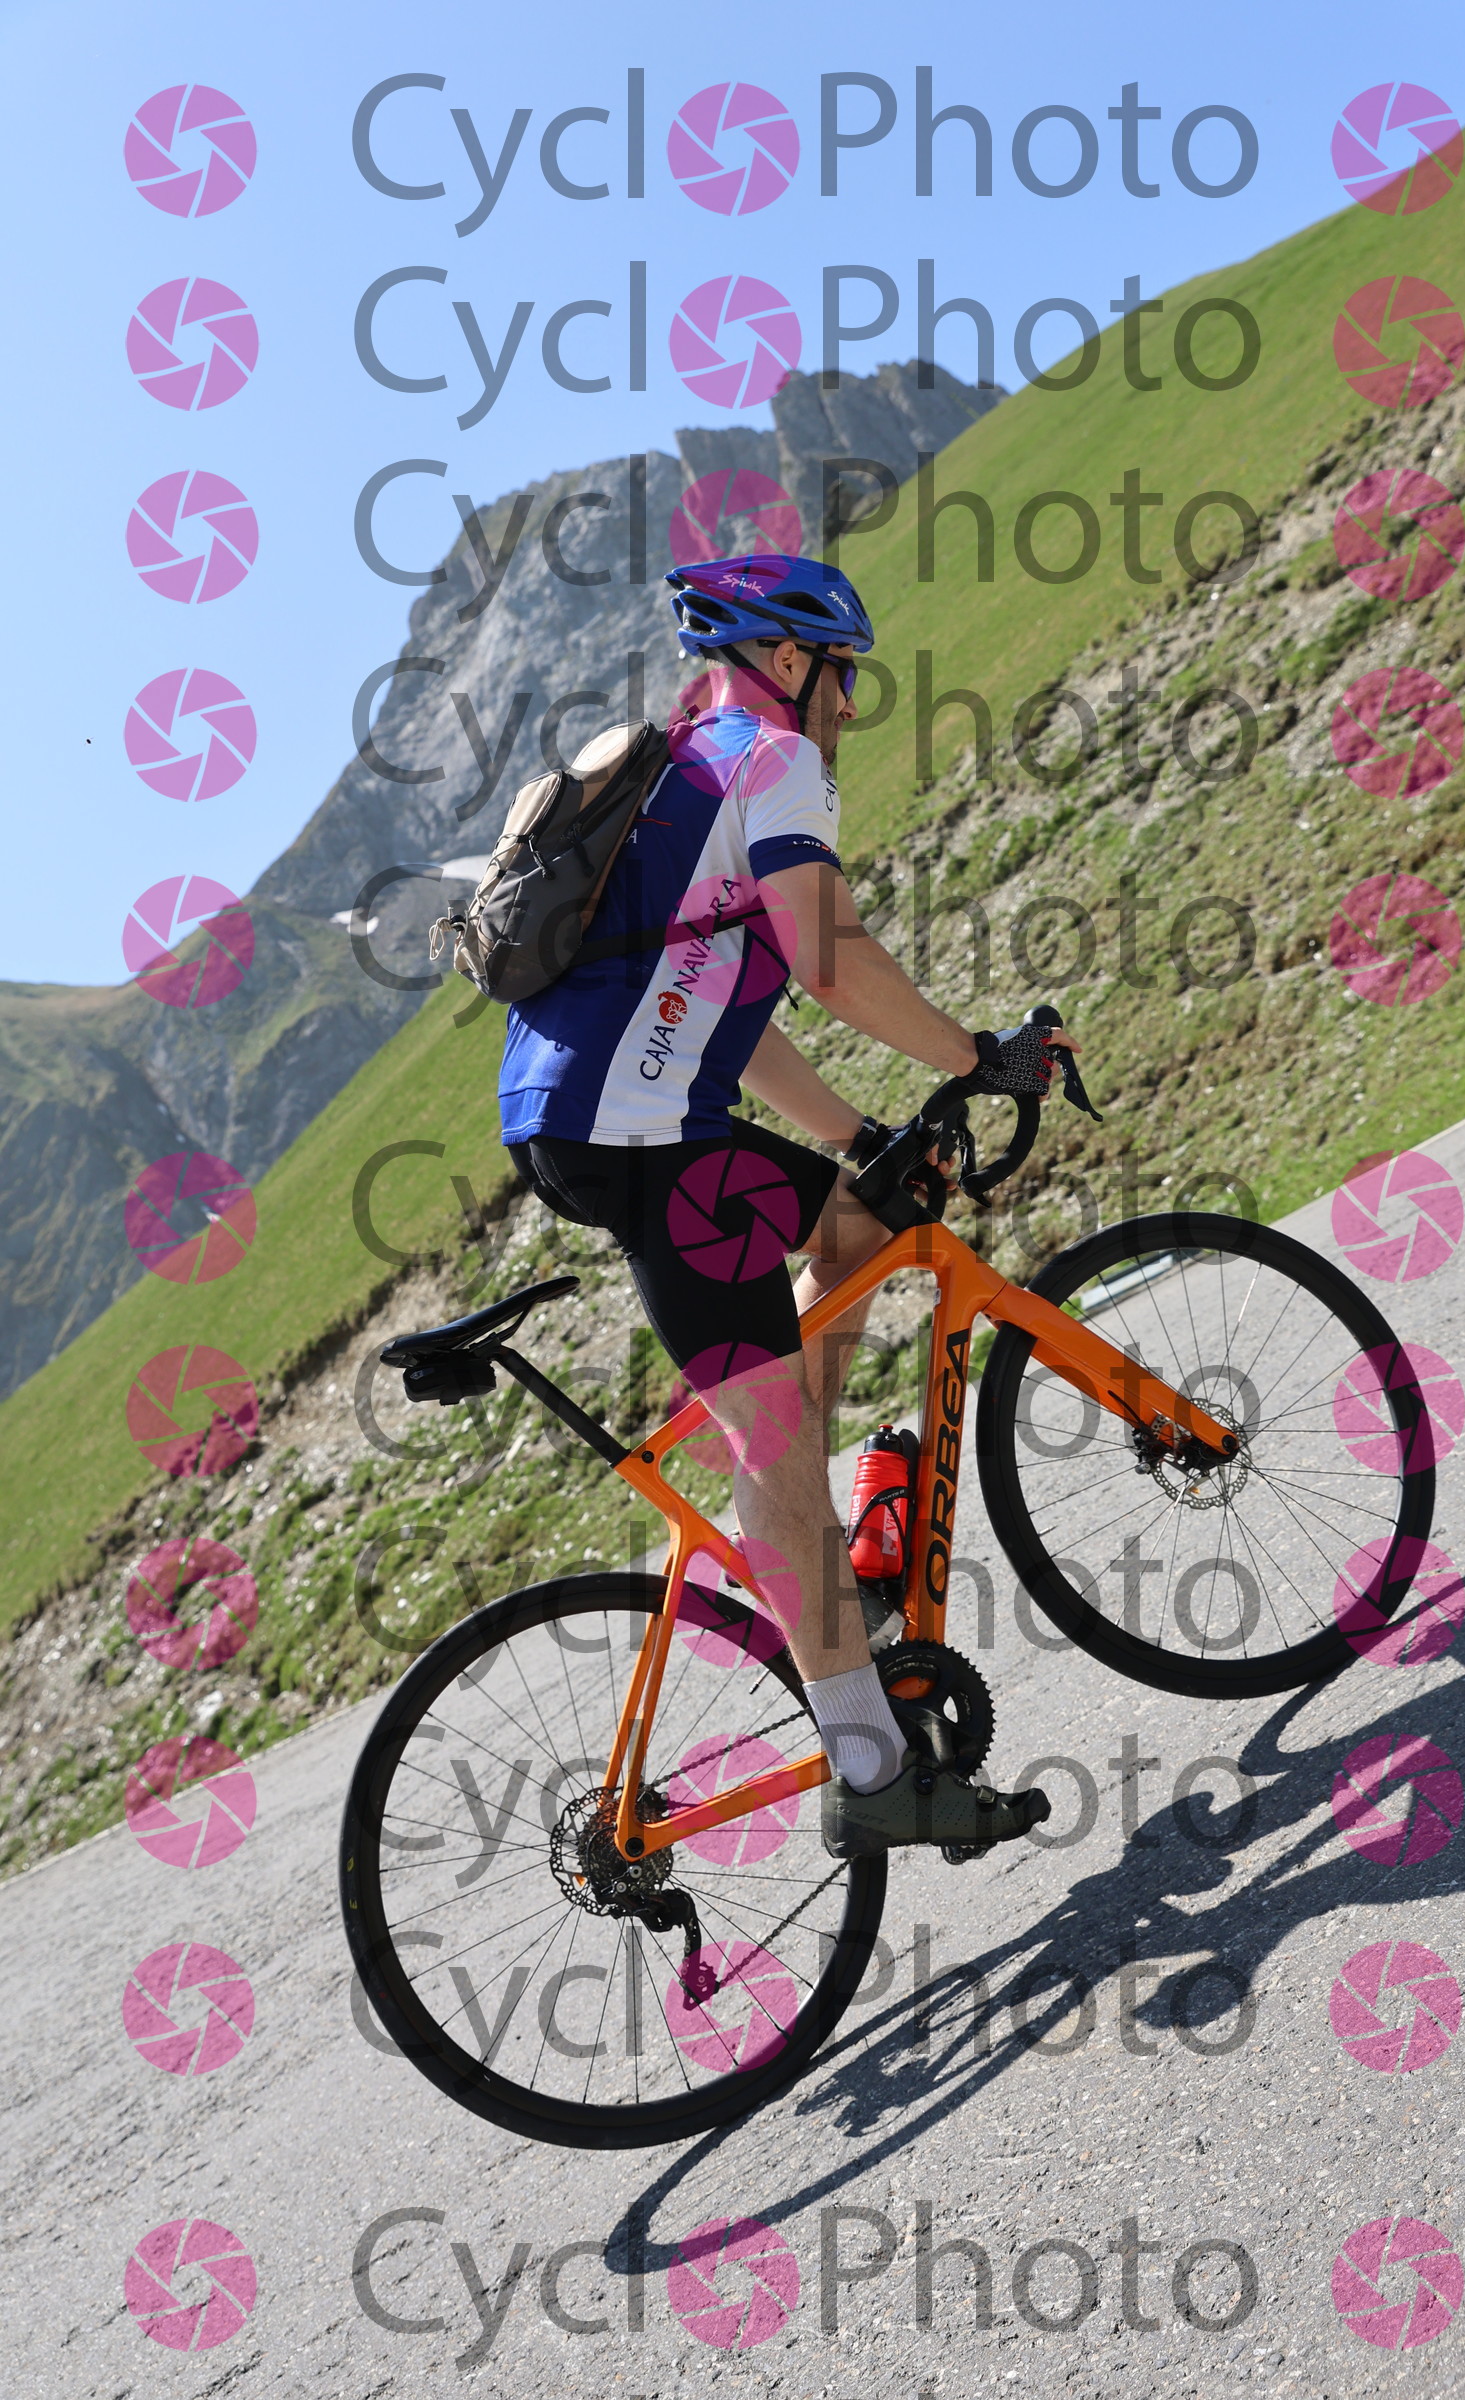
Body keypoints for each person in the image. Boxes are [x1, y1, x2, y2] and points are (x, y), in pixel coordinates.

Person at [498, 552, 1075, 1859]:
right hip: (643, 1141)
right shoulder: (770, 760)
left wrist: (858, 1137)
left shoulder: (686, 773)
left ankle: (814, 1565)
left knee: (860, 1221)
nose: (850, 706)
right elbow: (830, 959)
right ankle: (871, 1763)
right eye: (844, 676)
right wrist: (975, 1054)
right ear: (789, 661)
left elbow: (723, 1011)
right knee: (774, 1457)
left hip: (606, 1119)